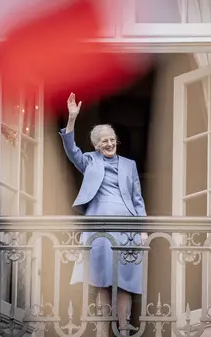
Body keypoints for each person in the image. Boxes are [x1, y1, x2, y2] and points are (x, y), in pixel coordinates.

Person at [59, 93, 147, 331]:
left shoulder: (129, 165)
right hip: (98, 226)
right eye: (103, 141)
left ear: (116, 141)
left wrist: (142, 230)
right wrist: (72, 119)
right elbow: (71, 149)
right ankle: (102, 327)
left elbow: (138, 200)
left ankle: (123, 325)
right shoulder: (89, 161)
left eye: (112, 140)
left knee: (126, 279)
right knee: (101, 279)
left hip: (126, 228)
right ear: (96, 145)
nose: (109, 144)